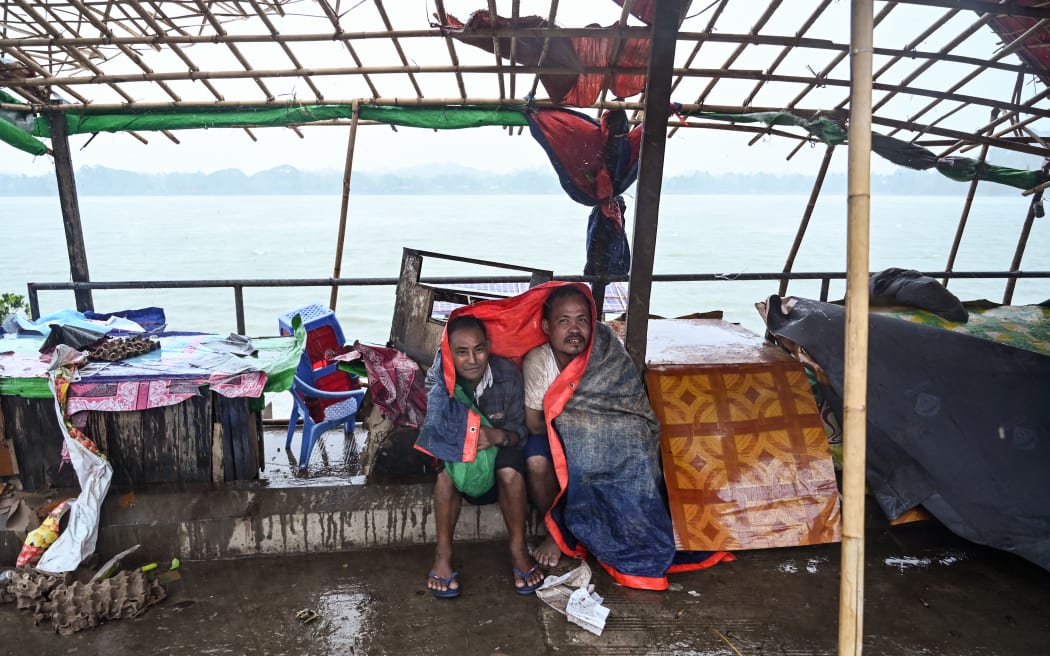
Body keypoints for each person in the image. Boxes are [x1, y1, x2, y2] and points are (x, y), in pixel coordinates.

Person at [414, 315, 544, 599]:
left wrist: (496, 436)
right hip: (458, 460)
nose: (472, 359)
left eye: (479, 349)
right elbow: (435, 434)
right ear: (449, 354)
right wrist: (464, 439)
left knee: (511, 469)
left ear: (489, 346)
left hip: (498, 462)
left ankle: (518, 551)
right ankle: (443, 555)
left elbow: (520, 434)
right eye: (461, 352)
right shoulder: (441, 383)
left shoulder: (507, 375)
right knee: (446, 474)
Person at [521, 285, 593, 568]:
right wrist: (569, 443)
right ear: (547, 327)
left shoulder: (602, 355)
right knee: (537, 462)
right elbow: (533, 422)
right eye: (564, 321)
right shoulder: (539, 361)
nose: (574, 329)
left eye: (582, 320)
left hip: (595, 436)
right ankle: (556, 529)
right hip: (551, 437)